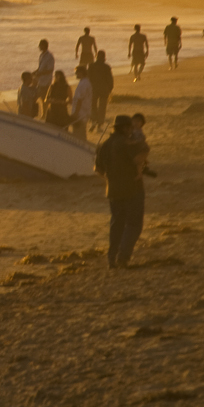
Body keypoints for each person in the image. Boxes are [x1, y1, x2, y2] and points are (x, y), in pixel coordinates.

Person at [94, 115, 148, 269]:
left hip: (112, 191)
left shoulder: (105, 145)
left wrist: (111, 176)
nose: (132, 130)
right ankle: (122, 257)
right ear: (125, 128)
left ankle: (111, 258)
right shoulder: (127, 143)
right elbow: (141, 155)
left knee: (116, 224)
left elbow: (98, 169)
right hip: (132, 189)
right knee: (134, 224)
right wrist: (141, 165)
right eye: (130, 127)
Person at [88, 50, 114, 132]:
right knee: (102, 107)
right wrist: (110, 89)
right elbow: (110, 79)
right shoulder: (106, 67)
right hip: (104, 89)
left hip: (93, 89)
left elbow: (88, 77)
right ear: (104, 57)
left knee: (93, 106)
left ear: (96, 56)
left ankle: (93, 122)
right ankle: (99, 125)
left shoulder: (91, 65)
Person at [71, 65, 93, 140]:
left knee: (79, 132)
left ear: (81, 73)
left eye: (76, 72)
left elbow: (80, 100)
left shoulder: (84, 84)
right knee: (80, 132)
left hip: (81, 112)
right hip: (83, 111)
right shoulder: (84, 82)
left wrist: (75, 113)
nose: (76, 74)